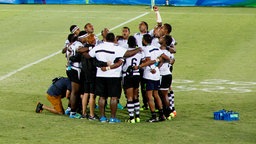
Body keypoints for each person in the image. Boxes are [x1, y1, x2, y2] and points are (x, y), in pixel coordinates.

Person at [80, 33, 142, 123]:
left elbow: (88, 56)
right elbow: (128, 53)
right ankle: (113, 118)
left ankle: (102, 117)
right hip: (114, 75)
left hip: (100, 75)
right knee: (114, 97)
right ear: (113, 39)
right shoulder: (117, 48)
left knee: (102, 97)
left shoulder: (98, 47)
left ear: (105, 39)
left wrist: (83, 51)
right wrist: (138, 49)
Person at [133, 34, 170, 122]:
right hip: (157, 75)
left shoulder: (146, 49)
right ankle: (161, 115)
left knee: (149, 96)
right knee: (156, 95)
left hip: (149, 75)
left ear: (144, 41)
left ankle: (154, 116)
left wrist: (141, 67)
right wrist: (157, 66)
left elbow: (148, 61)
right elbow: (166, 58)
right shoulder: (157, 48)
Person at [122, 36, 143, 123]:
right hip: (137, 75)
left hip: (128, 75)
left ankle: (131, 118)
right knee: (135, 96)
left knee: (129, 97)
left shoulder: (126, 52)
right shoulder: (140, 53)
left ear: (128, 43)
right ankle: (137, 116)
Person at [158, 35, 175, 120]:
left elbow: (159, 64)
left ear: (164, 42)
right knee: (163, 95)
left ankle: (166, 113)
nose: (160, 38)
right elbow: (173, 61)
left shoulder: (162, 52)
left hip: (163, 75)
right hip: (168, 74)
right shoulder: (169, 52)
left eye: (162, 38)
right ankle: (167, 112)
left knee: (163, 95)